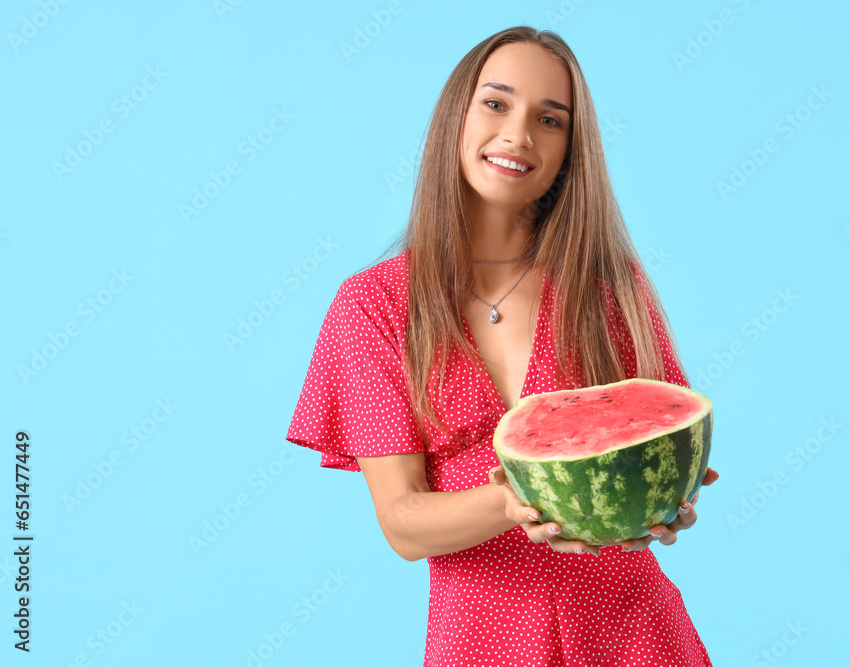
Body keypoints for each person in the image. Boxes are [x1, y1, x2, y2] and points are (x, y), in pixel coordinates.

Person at [285, 25, 720, 667]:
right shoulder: (373, 305)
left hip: (637, 635)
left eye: (550, 119)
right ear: (455, 116)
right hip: (485, 645)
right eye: (496, 103)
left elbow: (654, 449)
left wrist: (666, 502)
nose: (519, 134)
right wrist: (516, 497)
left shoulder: (612, 288)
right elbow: (402, 523)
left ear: (572, 148)